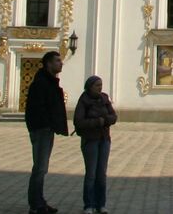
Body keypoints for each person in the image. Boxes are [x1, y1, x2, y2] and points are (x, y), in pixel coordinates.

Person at [26, 51, 69, 214]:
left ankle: (39, 201)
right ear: (48, 64)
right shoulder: (41, 83)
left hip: (46, 129)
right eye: (57, 61)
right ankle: (36, 204)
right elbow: (36, 108)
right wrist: (46, 125)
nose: (61, 63)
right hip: (42, 130)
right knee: (40, 168)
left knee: (42, 168)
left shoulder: (49, 82)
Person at [73, 75, 117, 214]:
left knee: (101, 173)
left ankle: (101, 204)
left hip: (104, 139)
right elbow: (78, 121)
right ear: (90, 86)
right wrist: (97, 122)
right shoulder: (84, 100)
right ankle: (89, 204)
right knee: (91, 173)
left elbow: (113, 116)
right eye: (97, 85)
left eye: (101, 85)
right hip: (90, 139)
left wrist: (105, 120)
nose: (100, 87)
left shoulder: (104, 98)